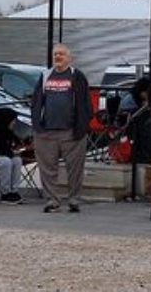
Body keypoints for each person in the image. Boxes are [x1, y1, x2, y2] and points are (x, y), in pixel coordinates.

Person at [31, 43, 92, 214]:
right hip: (46, 132)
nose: (58, 57)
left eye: (61, 54)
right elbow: (36, 101)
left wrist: (82, 126)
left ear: (69, 58)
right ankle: (52, 200)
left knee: (75, 169)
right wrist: (37, 124)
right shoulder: (45, 76)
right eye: (55, 54)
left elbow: (86, 103)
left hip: (72, 132)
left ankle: (74, 200)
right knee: (47, 169)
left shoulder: (77, 76)